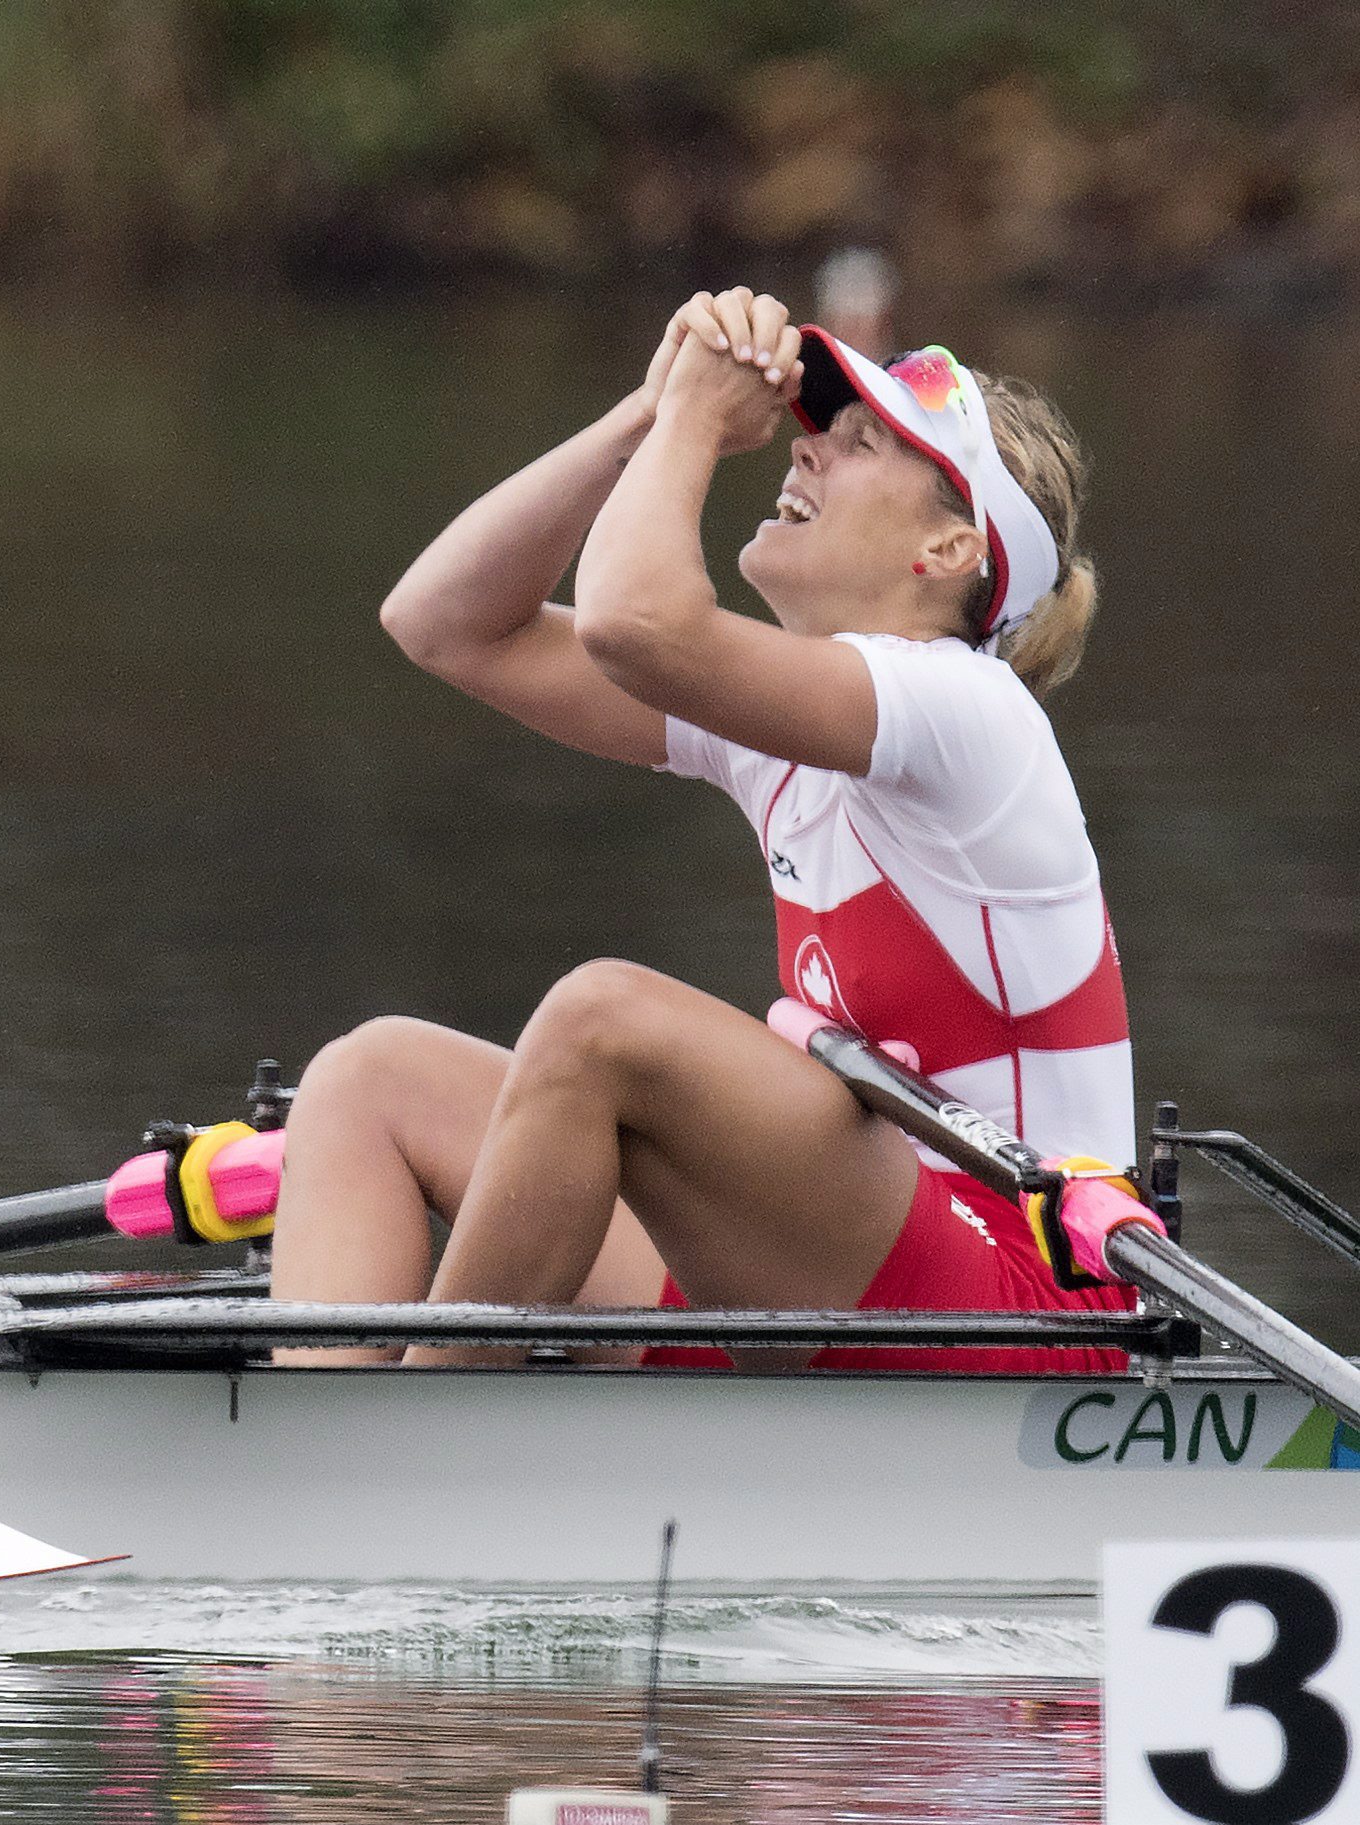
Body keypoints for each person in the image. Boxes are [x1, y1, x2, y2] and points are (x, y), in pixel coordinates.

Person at [269, 287, 1133, 1372]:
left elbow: (637, 623)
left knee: (603, 1020)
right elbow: (443, 623)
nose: (806, 454)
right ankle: (320, 1459)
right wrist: (645, 411)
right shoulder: (783, 726)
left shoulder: (968, 711)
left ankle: (418, 1452)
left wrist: (690, 428)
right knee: (368, 1079)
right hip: (849, 1266)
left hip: (1031, 1299)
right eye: (821, 433)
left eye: (861, 444)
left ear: (950, 549)